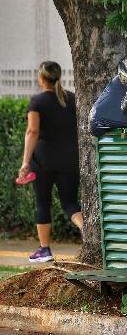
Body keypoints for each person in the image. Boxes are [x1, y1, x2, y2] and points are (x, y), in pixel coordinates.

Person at [18, 61, 83, 263]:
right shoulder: (71, 99)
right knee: (70, 203)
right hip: (70, 159)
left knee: (43, 203)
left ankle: (44, 250)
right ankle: (87, 230)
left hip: (43, 161)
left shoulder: (37, 101)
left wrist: (25, 163)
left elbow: (32, 131)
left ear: (41, 78)